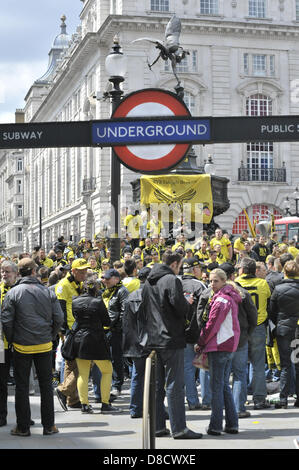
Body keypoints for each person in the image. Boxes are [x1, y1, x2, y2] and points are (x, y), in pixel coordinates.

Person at [141, 251, 203, 439]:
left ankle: (159, 426)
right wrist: (187, 302)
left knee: (158, 384)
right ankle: (179, 428)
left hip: (153, 337)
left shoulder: (148, 282)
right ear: (175, 264)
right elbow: (180, 307)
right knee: (175, 384)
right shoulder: (171, 280)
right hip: (170, 337)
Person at [1, 257, 63, 436]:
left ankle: (23, 427)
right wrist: (50, 335)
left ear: (19, 273)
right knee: (46, 386)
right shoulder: (47, 291)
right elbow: (58, 318)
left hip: (22, 345)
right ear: (34, 272)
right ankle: (49, 426)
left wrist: (12, 340)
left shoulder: (13, 293)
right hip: (44, 344)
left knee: (21, 387)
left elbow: (6, 321)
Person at [196, 268, 242, 436]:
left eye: (215, 281)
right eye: (210, 281)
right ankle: (232, 423)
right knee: (222, 386)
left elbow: (211, 325)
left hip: (220, 345)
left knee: (217, 387)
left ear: (224, 281)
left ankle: (216, 425)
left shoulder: (222, 299)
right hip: (226, 344)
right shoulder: (226, 297)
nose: (212, 284)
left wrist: (200, 342)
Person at [72, 278, 121, 414]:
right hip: (96, 339)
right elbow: (106, 321)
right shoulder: (98, 302)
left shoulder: (75, 301)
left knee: (83, 374)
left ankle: (84, 405)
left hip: (80, 339)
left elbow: (75, 318)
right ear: (96, 289)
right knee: (107, 370)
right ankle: (105, 403)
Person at [219, 262, 257, 418]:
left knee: (222, 375)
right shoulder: (242, 292)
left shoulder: (213, 292)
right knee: (239, 374)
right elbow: (253, 316)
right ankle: (238, 408)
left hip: (221, 339)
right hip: (240, 338)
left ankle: (224, 407)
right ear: (233, 275)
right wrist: (248, 332)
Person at [235, 257, 271, 409]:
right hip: (258, 326)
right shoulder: (263, 283)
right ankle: (259, 399)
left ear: (242, 270)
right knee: (258, 364)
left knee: (240, 366)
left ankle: (240, 400)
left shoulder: (236, 283)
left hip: (241, 327)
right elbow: (268, 301)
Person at [55, 258, 89, 411]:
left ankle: (72, 399)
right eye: (81, 272)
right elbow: (60, 308)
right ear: (73, 271)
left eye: (85, 271)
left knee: (71, 363)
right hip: (71, 329)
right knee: (86, 362)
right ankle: (64, 390)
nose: (85, 274)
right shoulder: (63, 285)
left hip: (76, 327)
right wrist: (62, 331)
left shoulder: (78, 284)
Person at [269, 260, 299, 408]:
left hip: (284, 329)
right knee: (297, 363)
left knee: (286, 364)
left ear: (284, 272)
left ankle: (283, 399)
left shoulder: (278, 289)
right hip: (297, 329)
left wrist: (278, 325)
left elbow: (272, 312)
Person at [122, 267, 151, 418]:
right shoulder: (151, 295)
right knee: (154, 377)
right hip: (149, 342)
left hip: (134, 343)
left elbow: (126, 324)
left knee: (137, 376)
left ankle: (135, 408)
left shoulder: (130, 296)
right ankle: (152, 407)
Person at [180, 257, 207, 410]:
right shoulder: (199, 285)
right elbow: (206, 310)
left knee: (187, 368)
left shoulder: (176, 283)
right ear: (195, 269)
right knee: (203, 367)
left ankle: (192, 401)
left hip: (181, 333)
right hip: (198, 333)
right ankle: (207, 400)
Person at [101, 268, 129, 399]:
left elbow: (124, 312)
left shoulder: (122, 291)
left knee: (116, 358)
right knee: (107, 358)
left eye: (108, 278)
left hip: (115, 331)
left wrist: (117, 327)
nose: (105, 280)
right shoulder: (107, 291)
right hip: (105, 329)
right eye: (104, 278)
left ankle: (116, 385)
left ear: (116, 279)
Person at [0, 261, 18, 427]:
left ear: (16, 274)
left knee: (22, 382)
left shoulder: (20, 290)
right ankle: (1, 416)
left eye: (7, 272)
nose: (4, 274)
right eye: (3, 272)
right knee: (2, 382)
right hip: (1, 345)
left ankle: (23, 417)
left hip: (20, 342)